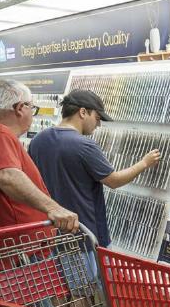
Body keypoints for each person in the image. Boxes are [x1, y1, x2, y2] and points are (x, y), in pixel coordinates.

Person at [29, 89, 161, 249]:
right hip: (84, 236)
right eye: (97, 118)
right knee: (93, 274)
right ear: (83, 112)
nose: (98, 124)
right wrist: (145, 163)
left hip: (52, 234)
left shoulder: (38, 140)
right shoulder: (84, 145)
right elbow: (114, 181)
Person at [0, 79, 78, 234]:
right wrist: (54, 208)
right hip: (20, 249)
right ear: (20, 108)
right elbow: (6, 176)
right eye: (32, 107)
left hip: (7, 245)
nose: (32, 114)